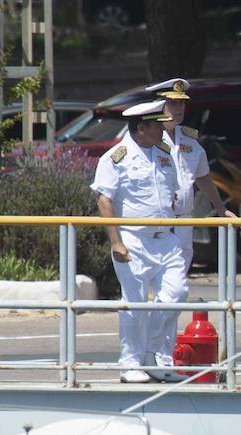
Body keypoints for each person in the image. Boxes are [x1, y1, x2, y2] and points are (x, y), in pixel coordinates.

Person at [90, 98, 187, 383]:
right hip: (133, 239)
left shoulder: (165, 154)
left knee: (176, 294)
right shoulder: (116, 157)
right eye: (157, 125)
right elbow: (104, 200)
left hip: (165, 239)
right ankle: (130, 363)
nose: (163, 129)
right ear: (141, 129)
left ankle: (156, 356)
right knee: (134, 303)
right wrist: (116, 242)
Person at [147, 78, 236, 373]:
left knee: (175, 292)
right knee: (155, 293)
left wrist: (221, 208)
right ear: (159, 105)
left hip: (183, 224)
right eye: (172, 103)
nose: (178, 109)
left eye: (182, 103)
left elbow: (202, 177)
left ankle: (163, 354)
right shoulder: (146, 138)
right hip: (154, 225)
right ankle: (151, 352)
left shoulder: (188, 140)